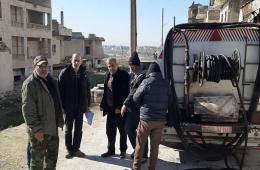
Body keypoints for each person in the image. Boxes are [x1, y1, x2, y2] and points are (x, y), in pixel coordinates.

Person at [22, 56, 64, 170]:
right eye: (41, 66)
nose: (44, 69)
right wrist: (36, 129)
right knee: (37, 162)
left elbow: (56, 102)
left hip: (52, 128)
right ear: (35, 67)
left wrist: (60, 120)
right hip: (40, 131)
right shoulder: (30, 84)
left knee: (52, 160)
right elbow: (28, 110)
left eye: (46, 66)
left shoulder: (51, 81)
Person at [132, 62, 170, 170]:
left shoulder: (146, 82)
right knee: (155, 147)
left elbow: (135, 98)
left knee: (140, 145)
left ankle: (136, 168)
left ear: (150, 72)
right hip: (160, 120)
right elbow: (170, 100)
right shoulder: (166, 83)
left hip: (146, 120)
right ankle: (151, 168)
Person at [58, 53, 91, 159]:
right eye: (75, 60)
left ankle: (76, 149)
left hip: (80, 107)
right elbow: (59, 91)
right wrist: (62, 107)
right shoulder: (64, 73)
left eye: (78, 60)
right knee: (68, 129)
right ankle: (69, 150)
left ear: (81, 61)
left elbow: (87, 90)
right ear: (71, 61)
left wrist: (87, 106)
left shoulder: (83, 73)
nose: (76, 62)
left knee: (78, 129)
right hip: (68, 107)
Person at [100, 57, 130, 159]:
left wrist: (121, 107)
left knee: (122, 131)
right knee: (110, 131)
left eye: (113, 65)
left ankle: (123, 151)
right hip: (110, 110)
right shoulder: (108, 75)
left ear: (117, 64)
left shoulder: (124, 75)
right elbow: (106, 92)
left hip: (120, 110)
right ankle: (111, 150)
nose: (111, 68)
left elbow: (126, 93)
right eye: (109, 66)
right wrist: (102, 105)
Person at [121, 52, 148, 160]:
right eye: (130, 66)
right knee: (128, 128)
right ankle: (137, 149)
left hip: (140, 109)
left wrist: (125, 104)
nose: (130, 68)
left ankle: (144, 154)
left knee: (142, 133)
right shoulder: (133, 75)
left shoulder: (142, 76)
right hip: (132, 109)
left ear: (136, 65)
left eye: (132, 66)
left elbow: (134, 91)